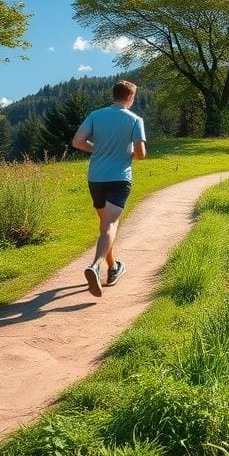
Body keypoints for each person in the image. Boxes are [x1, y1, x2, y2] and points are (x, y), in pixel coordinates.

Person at [71, 80, 147, 297]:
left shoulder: (95, 115)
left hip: (96, 178)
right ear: (131, 98)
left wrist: (98, 149)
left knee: (105, 226)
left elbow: (77, 142)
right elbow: (141, 154)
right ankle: (95, 265)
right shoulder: (135, 120)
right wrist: (128, 153)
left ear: (113, 95)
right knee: (110, 225)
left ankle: (112, 267)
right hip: (119, 178)